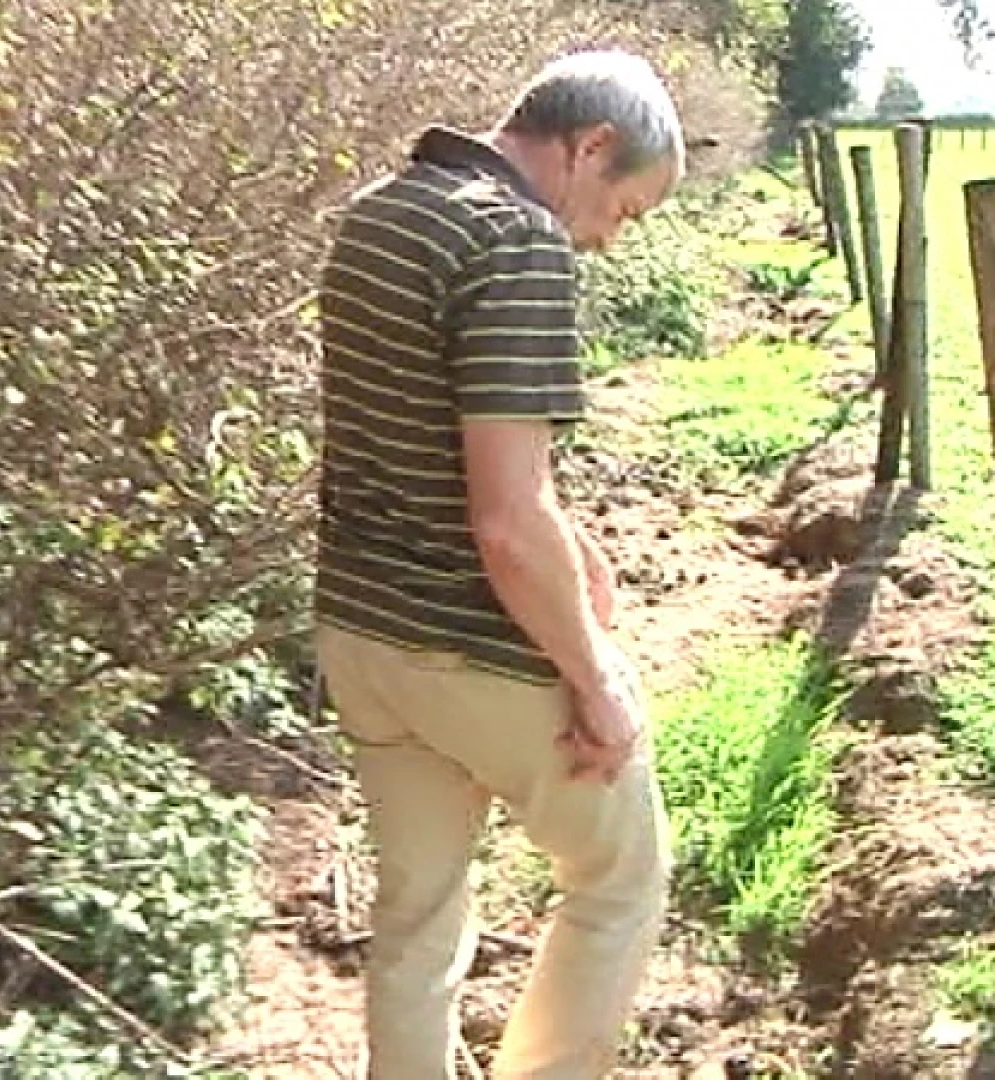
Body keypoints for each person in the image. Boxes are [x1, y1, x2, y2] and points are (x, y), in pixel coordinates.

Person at [310, 49, 687, 1080]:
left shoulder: (383, 212)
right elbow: (506, 527)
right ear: (590, 147)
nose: (609, 238)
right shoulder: (517, 240)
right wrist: (596, 676)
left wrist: (579, 544)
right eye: (626, 208)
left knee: (418, 916)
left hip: (360, 633)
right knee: (621, 874)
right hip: (469, 645)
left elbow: (414, 435)